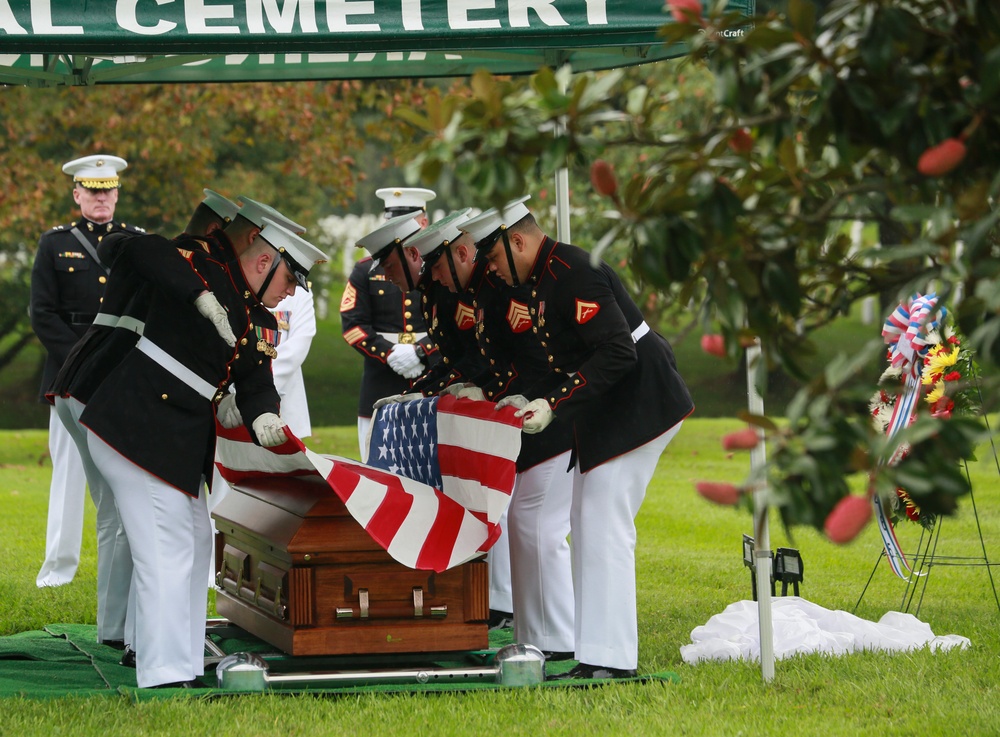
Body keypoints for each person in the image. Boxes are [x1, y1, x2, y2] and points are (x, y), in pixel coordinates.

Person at [82, 218, 328, 689]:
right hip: (136, 425)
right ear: (262, 261)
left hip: (172, 438)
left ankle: (180, 658)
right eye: (288, 279)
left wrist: (264, 418)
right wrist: (197, 295)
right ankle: (164, 671)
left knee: (192, 544)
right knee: (166, 546)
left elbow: (258, 383)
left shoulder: (259, 317)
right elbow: (133, 248)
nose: (292, 292)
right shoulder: (207, 269)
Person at [462, 196, 695, 680]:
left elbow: (617, 353)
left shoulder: (574, 271)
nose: (492, 271)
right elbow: (561, 361)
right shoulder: (541, 276)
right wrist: (527, 395)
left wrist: (554, 405)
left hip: (640, 404)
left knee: (601, 522)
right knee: (586, 520)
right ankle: (594, 654)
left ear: (518, 241)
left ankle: (609, 659)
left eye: (494, 257)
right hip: (606, 408)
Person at [46, 189, 240, 650]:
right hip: (95, 388)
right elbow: (128, 245)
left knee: (121, 512)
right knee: (125, 512)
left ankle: (121, 627)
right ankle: (121, 630)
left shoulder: (181, 261)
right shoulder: (173, 255)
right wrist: (202, 294)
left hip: (89, 386)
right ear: (215, 232)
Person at [424, 210, 575, 654]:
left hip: (549, 418)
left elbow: (538, 362)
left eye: (437, 265)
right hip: (524, 419)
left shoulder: (508, 294)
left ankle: (557, 637)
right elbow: (490, 363)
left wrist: (518, 397)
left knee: (540, 530)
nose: (492, 268)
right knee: (528, 526)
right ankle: (539, 634)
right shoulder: (489, 293)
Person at [30, 154, 146, 589]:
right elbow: (42, 313)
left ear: (117, 194)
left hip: (122, 373)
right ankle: (58, 569)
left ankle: (132, 557)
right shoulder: (54, 243)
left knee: (128, 472)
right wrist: (82, 358)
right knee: (68, 472)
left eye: (109, 190)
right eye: (93, 191)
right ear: (77, 194)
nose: (102, 198)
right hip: (69, 375)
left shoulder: (136, 242)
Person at [340, 188, 439, 455]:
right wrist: (389, 353)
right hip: (380, 380)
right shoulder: (366, 270)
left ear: (423, 222)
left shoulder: (440, 266)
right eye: (393, 223)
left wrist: (423, 351)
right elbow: (352, 326)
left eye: (407, 223)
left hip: (433, 377)